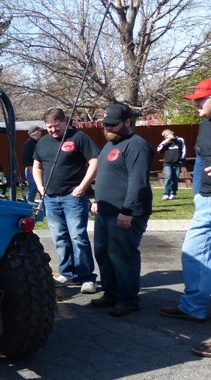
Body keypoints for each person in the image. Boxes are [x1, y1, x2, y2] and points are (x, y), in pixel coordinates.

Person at [159, 78, 211, 357]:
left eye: (202, 99)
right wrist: (198, 195)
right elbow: (201, 158)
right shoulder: (206, 124)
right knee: (195, 253)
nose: (197, 104)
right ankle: (194, 307)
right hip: (207, 201)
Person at [89, 105, 153, 317]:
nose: (108, 129)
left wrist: (128, 210)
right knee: (103, 253)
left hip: (125, 213)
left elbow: (138, 182)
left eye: (113, 125)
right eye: (105, 125)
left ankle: (128, 300)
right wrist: (98, 200)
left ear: (127, 122)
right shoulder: (110, 144)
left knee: (122, 256)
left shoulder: (137, 146)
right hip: (105, 211)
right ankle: (111, 294)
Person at [33, 107, 100, 294]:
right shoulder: (43, 142)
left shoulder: (79, 137)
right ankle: (67, 273)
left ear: (65, 122)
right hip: (51, 199)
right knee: (60, 238)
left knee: (78, 236)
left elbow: (94, 161)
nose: (53, 130)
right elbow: (36, 166)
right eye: (49, 127)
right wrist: (40, 187)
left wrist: (83, 186)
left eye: (56, 126)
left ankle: (86, 277)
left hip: (74, 197)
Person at [156, 129, 186, 200]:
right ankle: (166, 193)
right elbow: (158, 149)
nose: (166, 136)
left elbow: (183, 150)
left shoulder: (180, 140)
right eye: (164, 136)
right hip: (167, 163)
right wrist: (166, 141)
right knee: (168, 177)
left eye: (167, 134)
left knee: (175, 178)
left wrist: (181, 159)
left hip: (177, 162)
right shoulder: (165, 142)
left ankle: (173, 193)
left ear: (172, 133)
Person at [22, 126, 45, 204]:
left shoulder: (40, 143)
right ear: (35, 133)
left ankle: (43, 209)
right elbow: (25, 159)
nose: (41, 132)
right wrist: (32, 170)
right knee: (33, 189)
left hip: (40, 169)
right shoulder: (28, 144)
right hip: (31, 169)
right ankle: (28, 206)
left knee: (42, 189)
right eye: (39, 130)